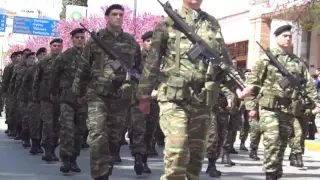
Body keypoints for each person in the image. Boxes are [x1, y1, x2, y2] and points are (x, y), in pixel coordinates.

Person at [136, 0, 248, 179]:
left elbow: (223, 61)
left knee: (196, 156)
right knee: (178, 150)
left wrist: (237, 87)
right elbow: (152, 62)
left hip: (202, 99)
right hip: (173, 98)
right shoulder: (166, 24)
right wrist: (143, 95)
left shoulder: (212, 23)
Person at [72, 4, 142, 180]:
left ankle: (106, 166)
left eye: (121, 14)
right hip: (98, 95)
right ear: (107, 17)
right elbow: (83, 68)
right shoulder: (95, 40)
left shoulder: (131, 42)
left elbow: (139, 69)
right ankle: (99, 175)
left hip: (121, 97)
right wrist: (78, 93)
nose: (118, 17)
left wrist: (139, 92)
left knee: (113, 138)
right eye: (114, 14)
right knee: (96, 134)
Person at [245, 24, 320, 179]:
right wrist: (251, 107)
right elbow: (252, 84)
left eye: (290, 36)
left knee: (281, 146)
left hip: (288, 111)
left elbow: (308, 85)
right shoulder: (266, 59)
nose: (288, 39)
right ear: (276, 38)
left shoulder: (298, 63)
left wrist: (317, 102)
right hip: (268, 109)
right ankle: (270, 175)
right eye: (284, 36)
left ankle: (275, 174)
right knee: (272, 141)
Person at [51, 28, 88, 173]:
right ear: (72, 39)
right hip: (67, 98)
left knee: (79, 131)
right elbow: (55, 76)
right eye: (77, 37)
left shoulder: (89, 56)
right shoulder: (64, 56)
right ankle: (65, 159)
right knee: (67, 129)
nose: (80, 39)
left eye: (82, 37)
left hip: (83, 99)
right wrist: (54, 93)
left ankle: (74, 159)